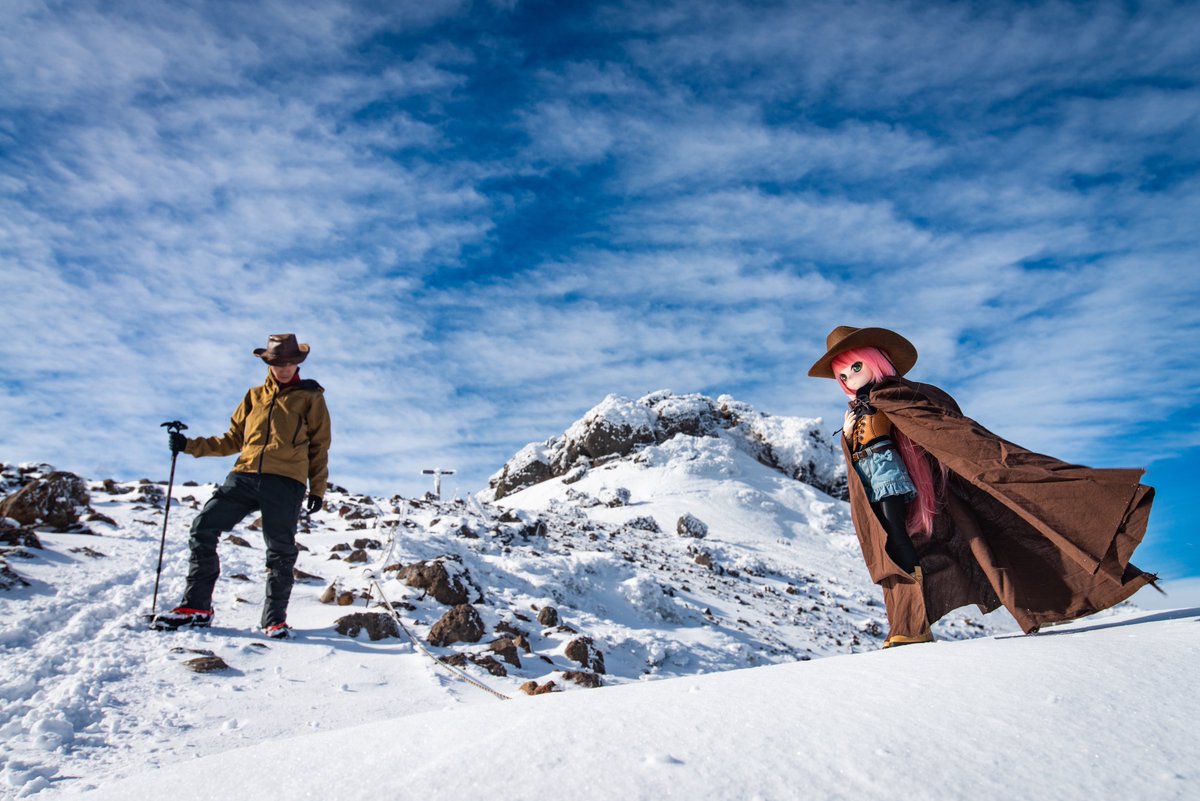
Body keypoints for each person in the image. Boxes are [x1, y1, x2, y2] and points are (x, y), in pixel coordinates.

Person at [808, 326, 1155, 648]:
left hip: (910, 484)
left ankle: (915, 627)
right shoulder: (856, 411)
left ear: (874, 361)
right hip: (879, 487)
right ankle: (908, 627)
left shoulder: (905, 396)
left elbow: (952, 434)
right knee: (892, 552)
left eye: (855, 367)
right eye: (842, 375)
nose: (850, 378)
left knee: (916, 544)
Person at [153, 333, 332, 639]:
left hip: (285, 481)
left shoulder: (310, 397)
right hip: (245, 475)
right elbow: (232, 440)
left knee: (280, 550)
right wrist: (188, 445)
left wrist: (317, 489)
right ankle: (197, 607)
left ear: (297, 363)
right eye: (278, 363)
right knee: (203, 527)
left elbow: (319, 446)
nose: (284, 368)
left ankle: (274, 620)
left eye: (289, 362)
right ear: (269, 364)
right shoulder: (254, 396)